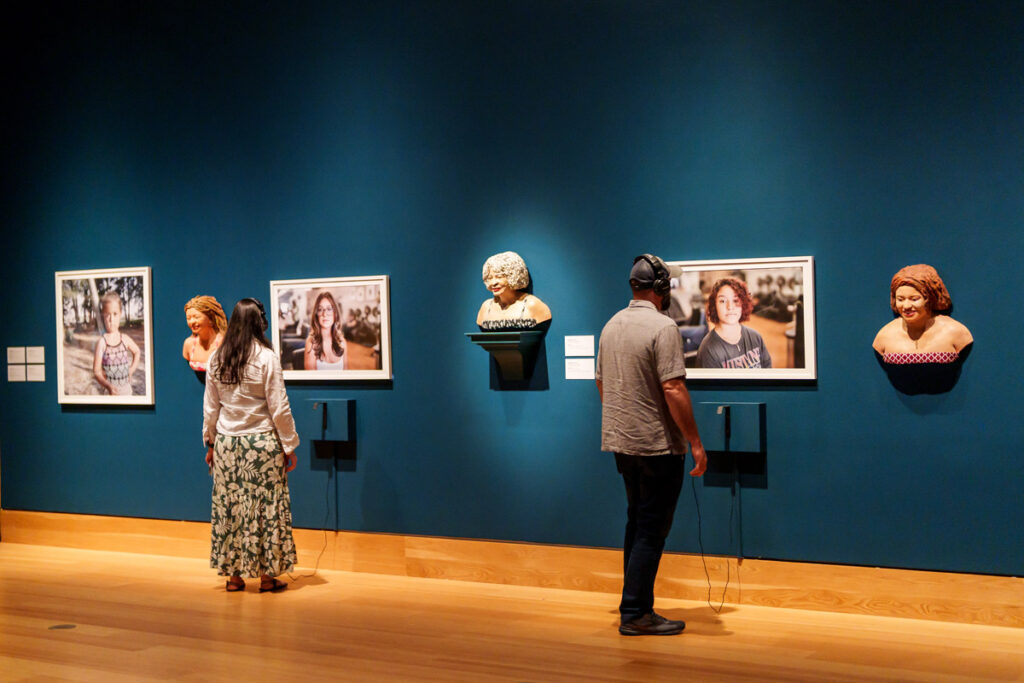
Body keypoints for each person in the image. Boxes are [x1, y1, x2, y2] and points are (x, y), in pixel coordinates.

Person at [596, 254, 707, 636]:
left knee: (636, 521)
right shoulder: (663, 327)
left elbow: (601, 384)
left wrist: (622, 421)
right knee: (651, 528)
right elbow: (673, 387)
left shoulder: (611, 325)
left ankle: (634, 603)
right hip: (657, 446)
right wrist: (694, 441)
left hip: (622, 444)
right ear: (661, 288)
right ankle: (635, 613)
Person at [203, 298, 300, 593]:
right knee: (265, 509)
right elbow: (279, 407)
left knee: (232, 509)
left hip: (228, 446)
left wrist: (210, 442)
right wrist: (289, 445)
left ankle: (234, 578)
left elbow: (211, 408)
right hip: (261, 446)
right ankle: (268, 577)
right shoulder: (267, 358)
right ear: (260, 322)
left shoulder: (218, 359)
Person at [872, 264, 973, 394]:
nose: (906, 306)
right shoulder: (884, 337)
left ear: (929, 299)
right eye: (900, 299)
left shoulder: (956, 332)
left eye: (914, 299)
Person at [696, 277, 772, 369]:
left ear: (743, 303)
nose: (730, 307)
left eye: (735, 300)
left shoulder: (755, 337)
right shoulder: (708, 350)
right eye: (723, 301)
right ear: (714, 305)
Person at [476, 251, 551, 331]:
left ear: (513, 276)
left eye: (499, 277)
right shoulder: (486, 307)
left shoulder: (532, 305)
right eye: (490, 278)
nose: (494, 283)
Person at [92, 291, 141, 395]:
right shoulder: (102, 342)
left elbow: (137, 352)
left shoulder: (125, 339)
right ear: (102, 316)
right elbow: (96, 371)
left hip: (127, 392)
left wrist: (131, 370)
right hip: (110, 394)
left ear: (120, 314)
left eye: (115, 314)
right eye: (107, 315)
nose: (111, 319)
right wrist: (108, 386)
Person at [182, 295, 227, 385]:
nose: (192, 322)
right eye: (188, 318)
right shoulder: (189, 344)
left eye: (196, 317)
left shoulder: (223, 342)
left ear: (210, 318)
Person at [304, 291, 346, 370]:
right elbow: (311, 381)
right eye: (320, 309)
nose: (325, 314)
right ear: (316, 315)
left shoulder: (342, 342)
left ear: (335, 313)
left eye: (329, 309)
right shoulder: (311, 343)